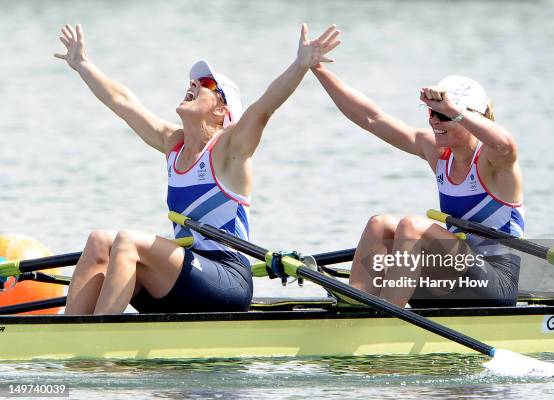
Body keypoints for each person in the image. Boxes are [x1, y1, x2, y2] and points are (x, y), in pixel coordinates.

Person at [56, 23, 341, 315]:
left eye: (205, 84)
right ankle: (68, 343)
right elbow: (123, 101)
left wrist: (301, 64)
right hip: (185, 276)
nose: (193, 84)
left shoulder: (229, 150)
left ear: (222, 110)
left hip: (227, 280)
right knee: (99, 241)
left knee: (127, 241)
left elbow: (264, 108)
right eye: (193, 81)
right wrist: (83, 65)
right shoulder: (172, 143)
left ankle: (100, 343)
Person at [311, 64, 524, 308]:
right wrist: (316, 68)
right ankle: (355, 311)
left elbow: (506, 145)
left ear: (471, 116)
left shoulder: (492, 160)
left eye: (442, 115)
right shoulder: (437, 151)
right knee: (379, 225)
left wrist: (455, 110)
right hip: (452, 279)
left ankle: (388, 320)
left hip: (496, 284)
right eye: (431, 112)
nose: (434, 121)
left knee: (412, 226)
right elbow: (372, 118)